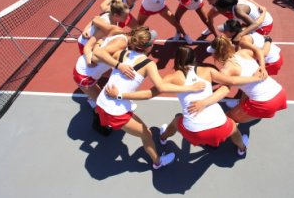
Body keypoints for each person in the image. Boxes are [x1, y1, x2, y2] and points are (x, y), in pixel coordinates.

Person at [105, 46, 266, 155]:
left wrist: (120, 95)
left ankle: (162, 138)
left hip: (193, 131)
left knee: (176, 121)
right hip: (220, 127)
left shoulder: (171, 78)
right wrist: (253, 78)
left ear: (177, 60)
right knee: (234, 129)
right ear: (194, 58)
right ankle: (242, 149)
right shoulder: (208, 71)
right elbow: (231, 83)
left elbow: (148, 94)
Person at [94, 27, 206, 170]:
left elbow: (97, 53)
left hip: (101, 102)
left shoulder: (120, 54)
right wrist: (191, 88)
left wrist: (115, 61)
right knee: (147, 134)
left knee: (117, 115)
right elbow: (160, 88)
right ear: (150, 46)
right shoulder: (149, 64)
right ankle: (158, 162)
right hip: (115, 110)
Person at [207, 36, 287, 123]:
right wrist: (262, 66)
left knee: (228, 121)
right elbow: (261, 52)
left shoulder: (226, 71)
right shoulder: (244, 52)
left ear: (215, 54)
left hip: (264, 102)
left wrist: (203, 102)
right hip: (279, 92)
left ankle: (240, 136)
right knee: (245, 95)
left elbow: (230, 83)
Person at [218, 19, 283, 76]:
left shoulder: (243, 41)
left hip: (272, 61)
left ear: (233, 32)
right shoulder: (244, 29)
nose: (223, 32)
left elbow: (263, 53)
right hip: (274, 53)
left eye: (225, 31)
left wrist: (268, 41)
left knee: (254, 81)